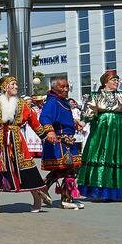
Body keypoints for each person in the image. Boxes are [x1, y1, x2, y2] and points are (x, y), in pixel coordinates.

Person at [0, 76, 48, 215]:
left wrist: (45, 136)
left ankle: (37, 199)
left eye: (16, 84)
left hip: (17, 140)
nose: (16, 87)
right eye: (13, 84)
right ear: (5, 87)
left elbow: (34, 122)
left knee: (27, 169)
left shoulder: (23, 104)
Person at [77, 70, 122, 201]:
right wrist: (83, 121)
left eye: (117, 80)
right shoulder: (96, 95)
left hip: (119, 128)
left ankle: (119, 190)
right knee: (101, 153)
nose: (116, 82)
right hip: (102, 128)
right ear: (105, 82)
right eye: (113, 80)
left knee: (118, 155)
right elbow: (89, 110)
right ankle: (98, 190)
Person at [39, 78, 84, 210]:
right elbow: (45, 117)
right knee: (69, 169)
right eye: (62, 87)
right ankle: (66, 199)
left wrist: (74, 123)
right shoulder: (52, 101)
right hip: (60, 142)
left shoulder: (61, 101)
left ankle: (43, 187)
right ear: (54, 88)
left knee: (62, 169)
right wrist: (50, 131)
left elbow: (61, 118)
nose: (65, 89)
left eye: (67, 87)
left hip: (68, 141)